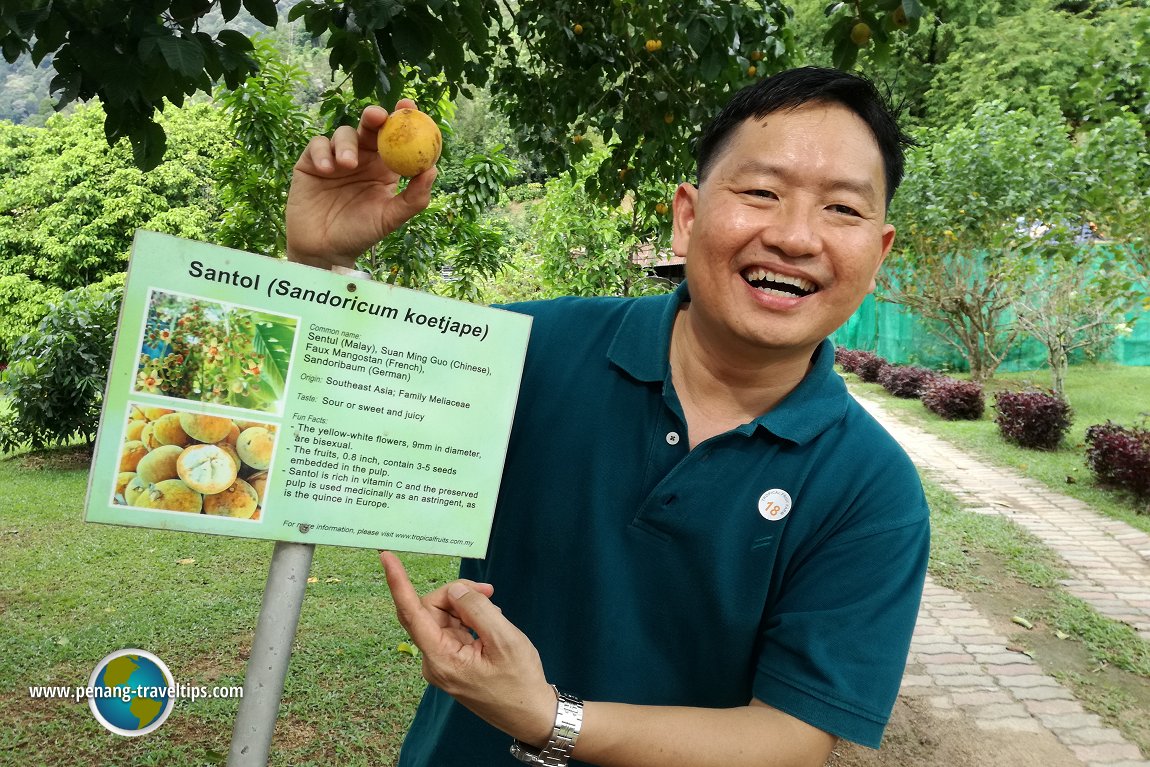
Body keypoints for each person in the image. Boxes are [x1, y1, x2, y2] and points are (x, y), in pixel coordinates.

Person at [286, 66, 930, 767]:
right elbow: (332, 406)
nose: (797, 237)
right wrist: (323, 265)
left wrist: (548, 716)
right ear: (688, 215)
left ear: (879, 253)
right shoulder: (528, 351)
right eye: (762, 193)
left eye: (842, 209)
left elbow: (792, 736)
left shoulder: (873, 491)